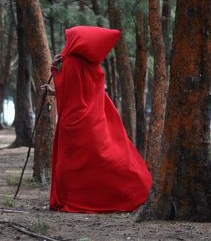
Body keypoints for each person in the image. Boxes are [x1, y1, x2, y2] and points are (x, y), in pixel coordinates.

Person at [42, 26, 152, 213]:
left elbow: (70, 90)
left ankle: (74, 199)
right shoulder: (92, 65)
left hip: (75, 122)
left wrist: (54, 69)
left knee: (72, 163)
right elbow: (81, 91)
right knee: (99, 158)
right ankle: (134, 188)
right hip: (93, 117)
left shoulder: (72, 62)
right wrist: (55, 86)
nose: (66, 43)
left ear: (76, 42)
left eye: (69, 39)